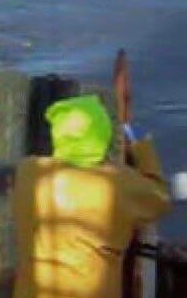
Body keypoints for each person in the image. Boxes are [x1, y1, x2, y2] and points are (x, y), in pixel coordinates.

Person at [12, 94, 171, 298]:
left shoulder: (28, 171)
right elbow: (160, 199)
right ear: (101, 135)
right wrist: (141, 145)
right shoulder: (118, 184)